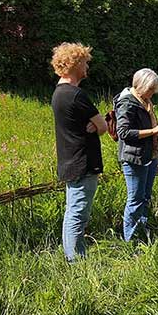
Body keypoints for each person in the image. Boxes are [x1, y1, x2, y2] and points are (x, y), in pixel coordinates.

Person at [50, 42, 107, 261]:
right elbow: (102, 126)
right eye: (84, 62)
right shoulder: (76, 95)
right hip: (82, 162)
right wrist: (96, 124)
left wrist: (95, 123)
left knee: (71, 211)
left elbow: (96, 124)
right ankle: (76, 261)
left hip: (69, 161)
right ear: (74, 64)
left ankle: (71, 256)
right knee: (78, 213)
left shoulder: (58, 93)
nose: (87, 67)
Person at [115, 68, 158, 242]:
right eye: (150, 90)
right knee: (135, 200)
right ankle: (130, 239)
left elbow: (150, 127)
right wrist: (153, 130)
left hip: (150, 155)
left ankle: (142, 230)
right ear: (140, 85)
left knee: (145, 197)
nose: (152, 94)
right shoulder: (127, 103)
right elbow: (124, 132)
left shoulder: (145, 101)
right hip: (134, 158)